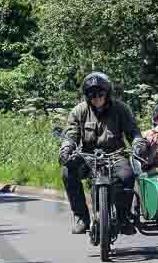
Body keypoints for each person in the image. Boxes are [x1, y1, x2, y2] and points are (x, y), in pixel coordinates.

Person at [59, 72, 149, 235]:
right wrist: (66, 149)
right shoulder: (79, 111)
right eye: (92, 94)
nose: (96, 98)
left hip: (116, 155)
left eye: (100, 93)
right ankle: (81, 217)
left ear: (107, 93)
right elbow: (71, 134)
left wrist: (138, 145)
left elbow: (133, 132)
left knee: (128, 175)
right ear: (86, 96)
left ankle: (123, 216)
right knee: (67, 172)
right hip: (88, 157)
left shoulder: (121, 108)